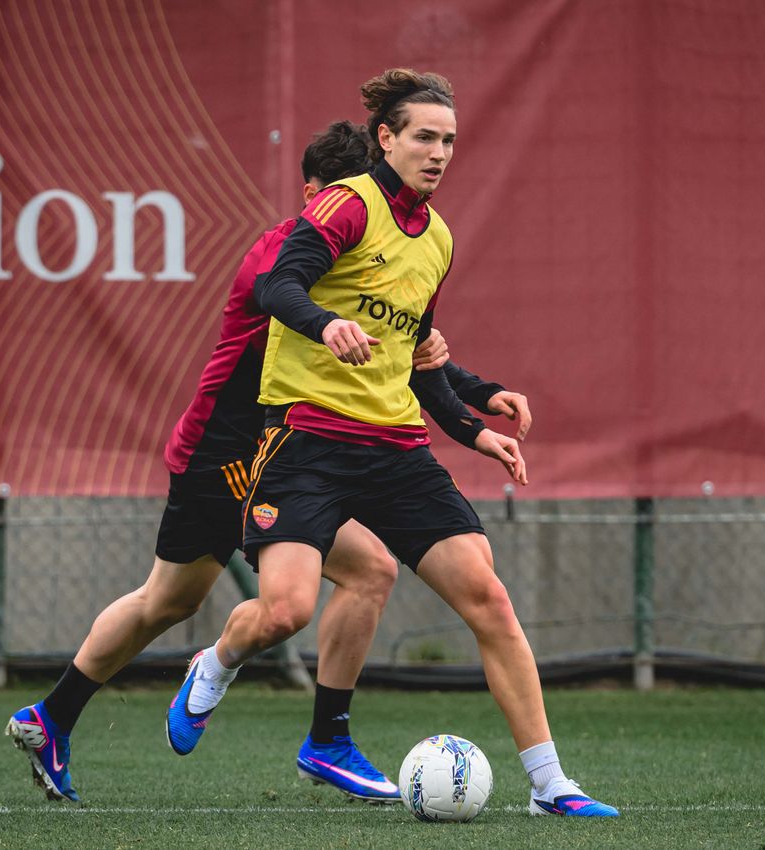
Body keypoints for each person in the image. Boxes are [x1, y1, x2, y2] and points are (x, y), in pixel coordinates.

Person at [6, 120, 530, 804]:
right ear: (314, 192)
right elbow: (291, 300)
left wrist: (471, 388)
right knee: (295, 585)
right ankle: (320, 736)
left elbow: (391, 347)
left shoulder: (368, 244)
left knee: (174, 598)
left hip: (278, 450)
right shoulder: (288, 249)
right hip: (230, 450)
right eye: (333, 194)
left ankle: (53, 717)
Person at [165, 69, 619, 818]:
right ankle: (214, 664)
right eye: (424, 137)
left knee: (489, 598)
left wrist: (476, 426)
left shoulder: (436, 238)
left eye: (448, 141)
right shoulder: (348, 206)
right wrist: (324, 322)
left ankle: (551, 787)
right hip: (303, 441)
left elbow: (413, 355)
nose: (439, 153)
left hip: (394, 450)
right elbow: (280, 286)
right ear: (386, 137)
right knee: (283, 612)